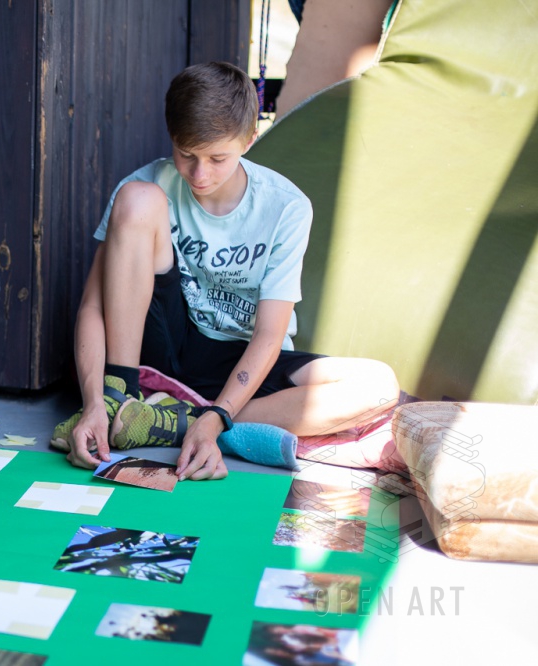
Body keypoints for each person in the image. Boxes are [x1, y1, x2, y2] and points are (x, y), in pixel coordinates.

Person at [55, 62, 399, 482]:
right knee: (137, 198)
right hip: (166, 344)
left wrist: (218, 416)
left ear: (249, 140)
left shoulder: (286, 206)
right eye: (186, 155)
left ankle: (177, 419)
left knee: (379, 386)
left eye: (218, 158)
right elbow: (93, 307)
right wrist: (94, 402)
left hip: (244, 359)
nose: (200, 174)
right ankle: (119, 399)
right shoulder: (147, 186)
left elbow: (269, 336)